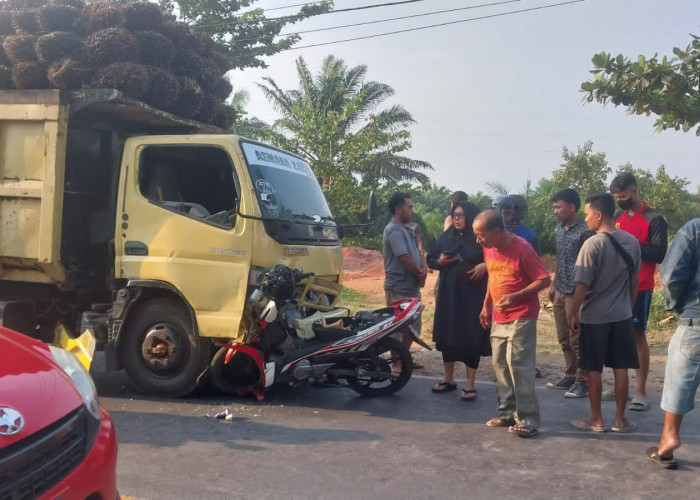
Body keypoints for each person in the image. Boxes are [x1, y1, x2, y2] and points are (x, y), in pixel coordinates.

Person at [474, 210, 551, 438]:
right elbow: (493, 277)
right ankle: (507, 413)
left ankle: (527, 418)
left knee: (518, 365)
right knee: (499, 365)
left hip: (522, 315)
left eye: (481, 235)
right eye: (476, 235)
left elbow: (544, 279)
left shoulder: (523, 248)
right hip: (499, 315)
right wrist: (485, 305)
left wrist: (516, 297)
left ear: (497, 231)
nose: (478, 240)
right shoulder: (489, 247)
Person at [568, 192, 641, 434]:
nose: (586, 219)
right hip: (621, 316)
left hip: (594, 317)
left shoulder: (592, 244)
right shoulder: (631, 242)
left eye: (587, 214)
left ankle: (596, 419)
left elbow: (582, 285)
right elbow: (634, 282)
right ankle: (621, 420)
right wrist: (628, 308)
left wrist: (573, 312)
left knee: (593, 368)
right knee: (621, 368)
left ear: (599, 215)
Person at [610, 172, 667, 411]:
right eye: (616, 197)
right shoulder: (618, 218)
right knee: (616, 335)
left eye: (623, 196)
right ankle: (617, 387)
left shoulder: (654, 219)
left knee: (637, 336)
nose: (620, 200)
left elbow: (659, 253)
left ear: (634, 191)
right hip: (616, 287)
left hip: (640, 287)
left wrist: (630, 247)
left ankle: (640, 390)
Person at [645, 218, 700, 470]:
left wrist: (677, 306)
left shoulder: (694, 228)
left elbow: (671, 273)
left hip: (695, 319)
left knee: (679, 376)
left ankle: (669, 437)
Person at [427, 201, 488, 400]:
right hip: (448, 294)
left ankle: (470, 384)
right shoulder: (447, 236)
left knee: (471, 337)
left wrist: (484, 266)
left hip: (472, 296)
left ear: (470, 216)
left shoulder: (481, 238)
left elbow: (495, 258)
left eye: (461, 215)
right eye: (454, 215)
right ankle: (448, 378)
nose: (457, 218)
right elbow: (431, 258)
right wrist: (440, 262)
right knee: (448, 335)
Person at [546, 188, 593, 398]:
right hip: (560, 290)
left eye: (558, 206)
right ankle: (570, 375)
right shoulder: (559, 228)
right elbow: (560, 258)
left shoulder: (585, 231)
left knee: (578, 339)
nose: (555, 211)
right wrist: (553, 283)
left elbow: (589, 266)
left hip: (576, 292)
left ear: (572, 207)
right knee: (563, 338)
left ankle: (584, 381)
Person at [383, 192, 427, 370]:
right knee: (397, 329)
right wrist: (419, 274)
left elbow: (417, 252)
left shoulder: (408, 229)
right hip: (398, 289)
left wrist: (422, 271)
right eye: (409, 206)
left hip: (412, 288)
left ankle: (404, 357)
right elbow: (405, 258)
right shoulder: (393, 230)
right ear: (398, 209)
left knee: (414, 325)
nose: (412, 210)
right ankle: (396, 364)